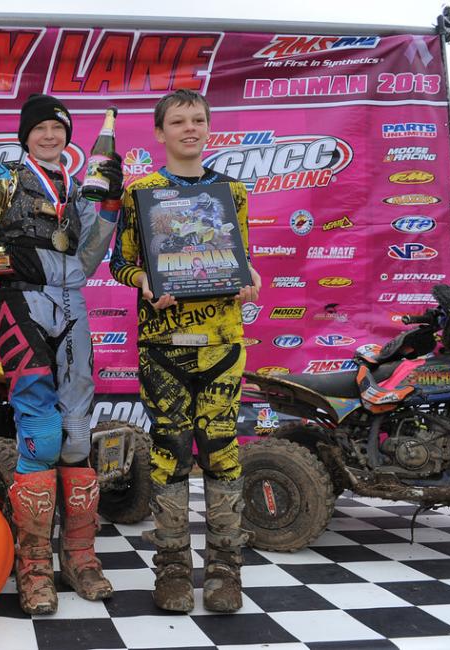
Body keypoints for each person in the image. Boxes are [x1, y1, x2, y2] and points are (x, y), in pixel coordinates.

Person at [0, 94, 123, 615]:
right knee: (42, 432)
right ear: (25, 134)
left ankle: (80, 557)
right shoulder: (2, 173)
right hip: (20, 302)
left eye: (59, 128)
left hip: (72, 305)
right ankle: (32, 567)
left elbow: (89, 256)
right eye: (41, 129)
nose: (50, 136)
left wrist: (111, 209)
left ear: (69, 136)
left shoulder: (79, 186)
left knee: (77, 436)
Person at [109, 89, 262, 614]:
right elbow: (119, 265)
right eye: (179, 121)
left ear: (208, 127)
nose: (190, 128)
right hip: (162, 347)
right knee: (169, 453)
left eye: (198, 119)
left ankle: (225, 569)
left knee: (222, 452)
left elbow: (241, 258)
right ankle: (171, 568)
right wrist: (146, 282)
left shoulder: (232, 193)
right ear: (160, 133)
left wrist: (250, 279)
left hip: (222, 345)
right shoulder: (140, 194)